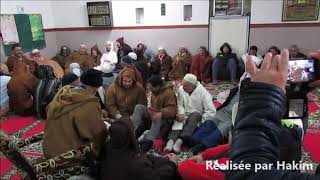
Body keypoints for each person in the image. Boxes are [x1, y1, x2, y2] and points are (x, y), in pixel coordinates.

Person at [226, 49, 320, 179]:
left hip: (286, 126)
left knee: (291, 137)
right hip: (284, 114)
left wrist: (262, 97)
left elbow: (246, 173)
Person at [42, 69, 107, 158]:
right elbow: (96, 133)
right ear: (96, 88)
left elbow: (48, 109)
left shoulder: (63, 91)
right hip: (66, 156)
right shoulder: (90, 104)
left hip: (48, 147)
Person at [99, 118, 182, 180]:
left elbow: (141, 157)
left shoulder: (106, 150)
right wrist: (172, 164)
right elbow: (157, 176)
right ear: (130, 136)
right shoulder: (135, 164)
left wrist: (161, 160)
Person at [164, 74, 216, 154]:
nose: (183, 87)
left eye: (186, 86)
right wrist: (181, 113)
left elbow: (211, 111)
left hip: (197, 116)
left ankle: (179, 142)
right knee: (178, 120)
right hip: (184, 114)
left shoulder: (203, 93)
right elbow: (179, 103)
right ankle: (170, 141)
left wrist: (201, 123)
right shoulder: (182, 89)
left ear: (193, 86)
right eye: (183, 85)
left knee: (194, 116)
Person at [131, 75, 177, 152]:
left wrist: (160, 113)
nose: (150, 91)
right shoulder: (154, 92)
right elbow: (153, 106)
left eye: (151, 89)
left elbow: (172, 110)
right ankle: (132, 132)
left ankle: (147, 144)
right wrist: (151, 110)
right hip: (154, 113)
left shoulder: (168, 93)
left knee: (156, 118)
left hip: (165, 119)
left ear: (158, 86)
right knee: (139, 107)